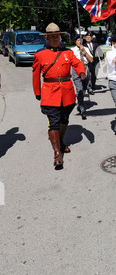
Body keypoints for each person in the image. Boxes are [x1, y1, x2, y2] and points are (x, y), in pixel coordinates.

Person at [32, 23, 86, 169]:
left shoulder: (67, 53)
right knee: (54, 122)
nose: (56, 38)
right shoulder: (40, 54)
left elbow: (78, 63)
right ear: (47, 38)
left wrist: (81, 72)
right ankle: (57, 153)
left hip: (67, 93)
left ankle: (61, 142)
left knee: (64, 119)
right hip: (50, 92)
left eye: (57, 35)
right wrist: (37, 92)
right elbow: (35, 74)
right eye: (52, 36)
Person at [71, 34, 93, 120]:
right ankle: (83, 109)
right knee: (79, 89)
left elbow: (91, 60)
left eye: (81, 40)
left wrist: (84, 51)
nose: (80, 42)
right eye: (78, 40)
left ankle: (80, 103)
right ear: (75, 41)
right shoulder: (72, 50)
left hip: (85, 68)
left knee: (83, 89)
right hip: (76, 70)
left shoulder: (86, 49)